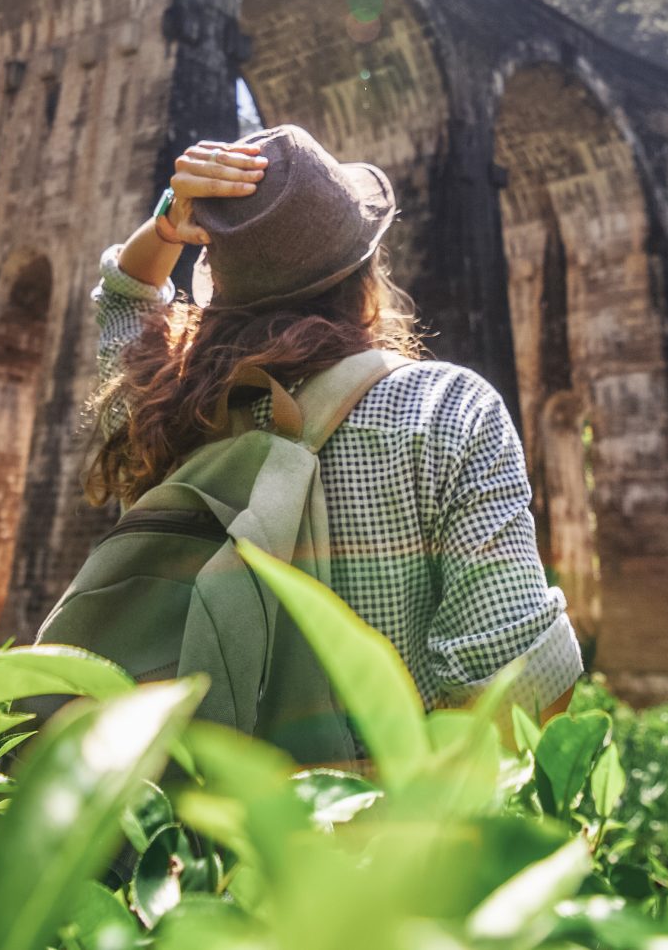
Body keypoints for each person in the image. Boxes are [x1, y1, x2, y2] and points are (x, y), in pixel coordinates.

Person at [49, 125, 581, 740]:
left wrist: (169, 224)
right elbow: (514, 692)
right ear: (365, 279)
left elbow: (125, 300)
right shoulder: (447, 408)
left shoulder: (158, 410)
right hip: (368, 824)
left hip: (178, 823)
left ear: (218, 286)